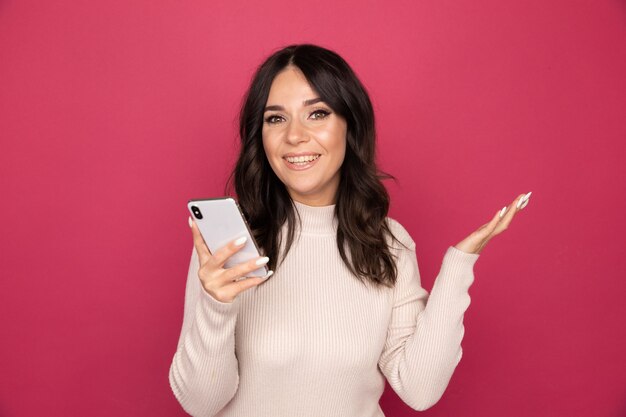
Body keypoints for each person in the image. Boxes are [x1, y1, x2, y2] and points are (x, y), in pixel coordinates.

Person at [168, 44, 531, 417]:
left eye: (317, 114)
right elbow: (200, 403)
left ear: (350, 125)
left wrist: (460, 264)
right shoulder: (228, 245)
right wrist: (216, 306)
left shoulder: (388, 243)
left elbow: (420, 389)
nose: (294, 136)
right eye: (275, 119)